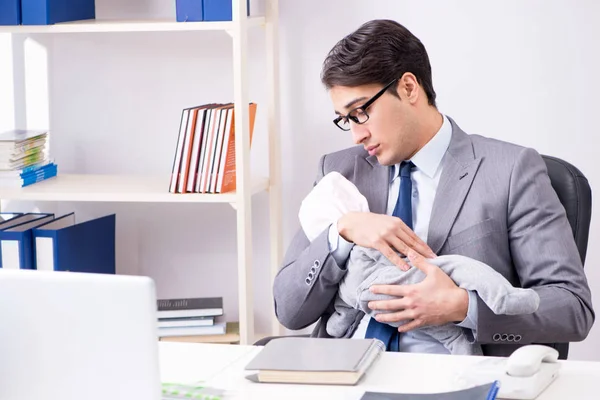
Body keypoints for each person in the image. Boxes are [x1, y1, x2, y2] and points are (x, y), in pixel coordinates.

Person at [272, 19, 594, 356]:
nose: (357, 135)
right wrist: (341, 231)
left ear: (409, 88)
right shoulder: (338, 174)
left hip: (453, 376)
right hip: (344, 372)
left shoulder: (511, 170)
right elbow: (289, 310)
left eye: (361, 112)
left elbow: (572, 309)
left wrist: (462, 307)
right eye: (345, 119)